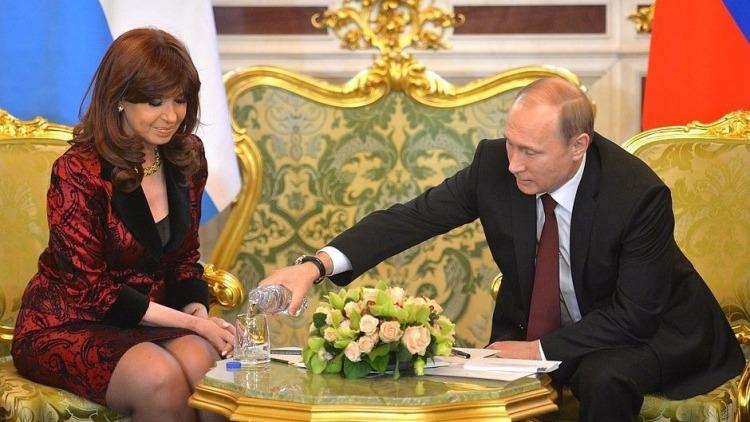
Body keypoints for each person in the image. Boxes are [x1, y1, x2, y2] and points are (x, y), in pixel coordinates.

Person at [261, 77, 744, 421]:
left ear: (578, 145)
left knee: (603, 377)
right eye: (512, 144)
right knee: (472, 378)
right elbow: (411, 218)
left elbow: (634, 315)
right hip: (549, 327)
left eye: (530, 152)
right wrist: (315, 265)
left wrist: (537, 350)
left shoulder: (636, 195)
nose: (513, 164)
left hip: (651, 331)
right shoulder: (495, 164)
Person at [12, 28, 235, 422]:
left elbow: (184, 260)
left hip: (149, 320)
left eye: (180, 100)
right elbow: (93, 292)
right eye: (154, 102)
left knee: (210, 368)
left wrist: (200, 317)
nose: (171, 116)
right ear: (119, 99)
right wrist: (189, 323)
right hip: (69, 322)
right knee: (158, 379)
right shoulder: (78, 170)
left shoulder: (188, 155)